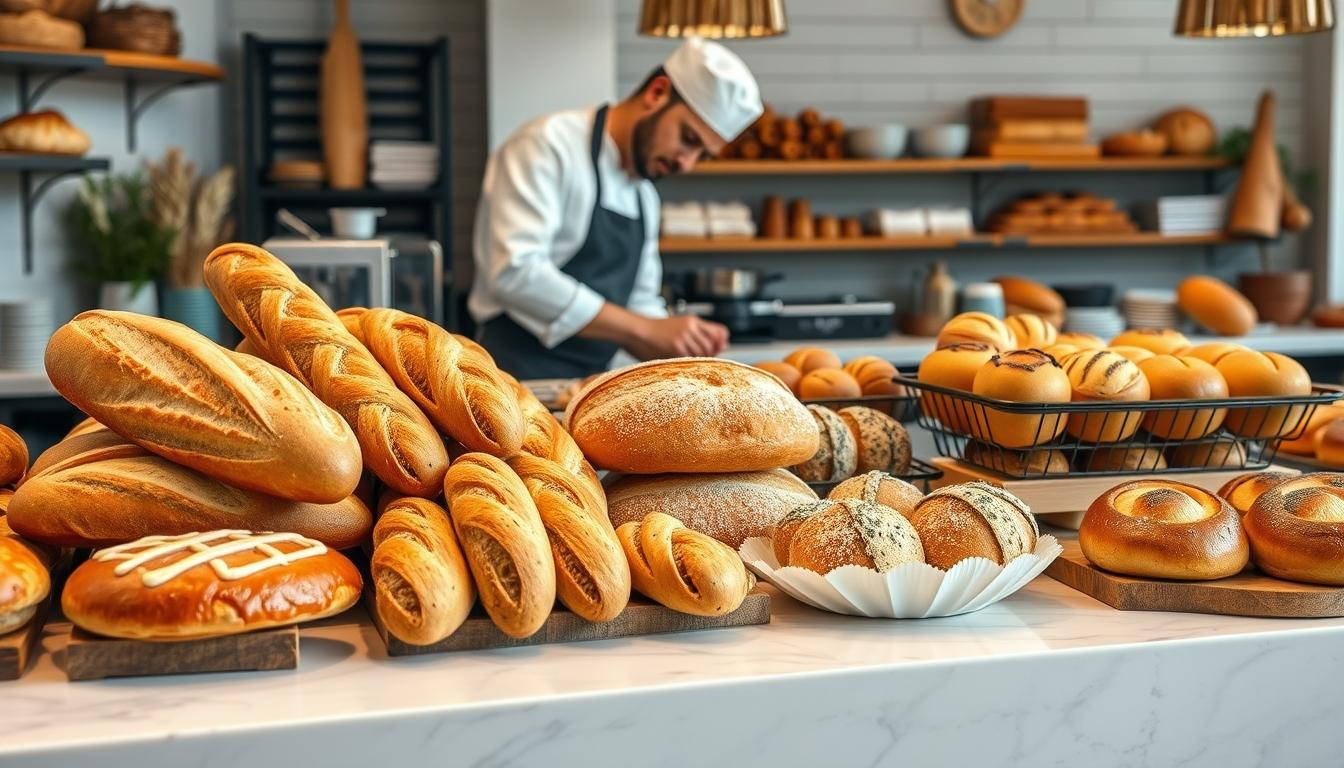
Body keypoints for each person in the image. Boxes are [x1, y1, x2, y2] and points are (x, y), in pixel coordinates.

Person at [469, 37, 762, 380]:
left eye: (703, 155)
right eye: (689, 139)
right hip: (509, 378)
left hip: (588, 384)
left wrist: (679, 348)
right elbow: (515, 272)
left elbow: (640, 302)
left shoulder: (644, 198)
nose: (687, 163)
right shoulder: (546, 145)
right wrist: (645, 329)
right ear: (657, 93)